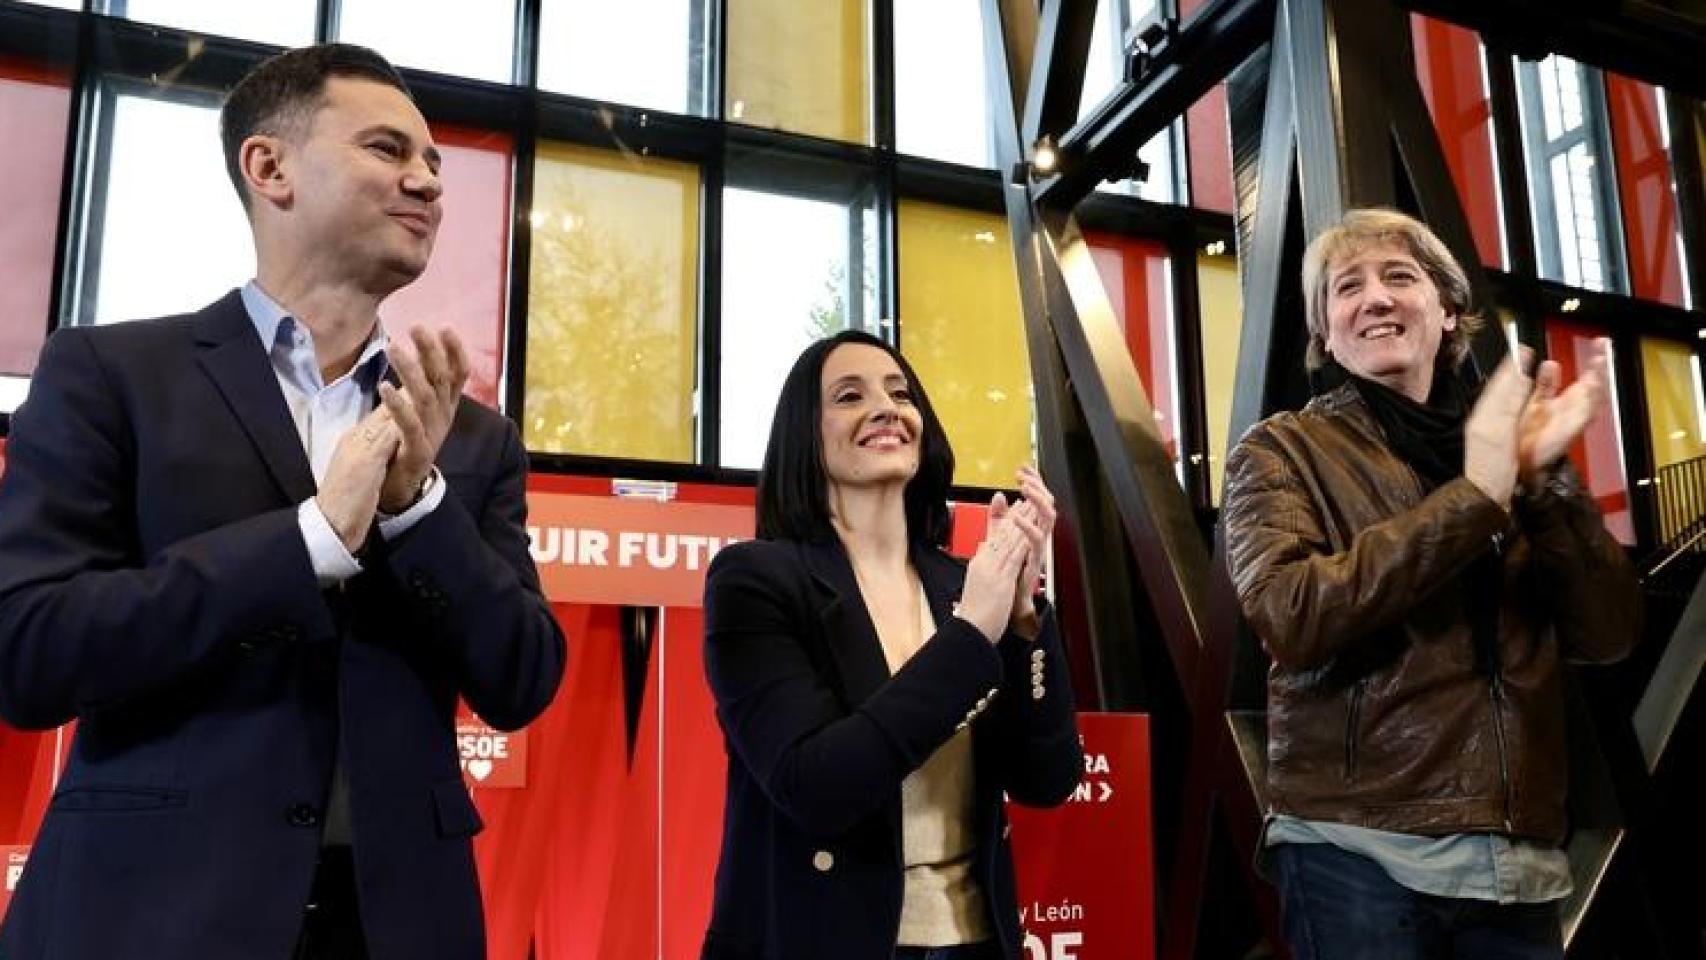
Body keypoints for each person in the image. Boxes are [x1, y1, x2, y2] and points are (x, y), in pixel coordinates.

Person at [0, 44, 565, 960]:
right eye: (387, 149)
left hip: (397, 924)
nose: (428, 182)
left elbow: (522, 679)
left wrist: (419, 511)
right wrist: (306, 544)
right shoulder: (110, 375)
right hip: (149, 915)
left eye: (433, 164)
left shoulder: (471, 438)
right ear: (269, 168)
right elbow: (29, 653)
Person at [1222, 208, 1639, 959]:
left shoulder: (1508, 447)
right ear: (1325, 333)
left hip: (1517, 867)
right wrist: (1476, 496)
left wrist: (1542, 480)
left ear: (1447, 311)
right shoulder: (1280, 450)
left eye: (1399, 277)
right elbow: (1291, 615)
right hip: (1356, 850)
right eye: (1347, 286)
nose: (1376, 298)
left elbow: (1608, 634)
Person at [699, 330, 1083, 959]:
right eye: (850, 396)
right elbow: (815, 786)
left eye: (900, 394)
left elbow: (1048, 781)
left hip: (975, 943)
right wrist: (970, 635)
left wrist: (1019, 620)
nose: (886, 408)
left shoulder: (966, 586)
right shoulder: (754, 580)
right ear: (804, 434)